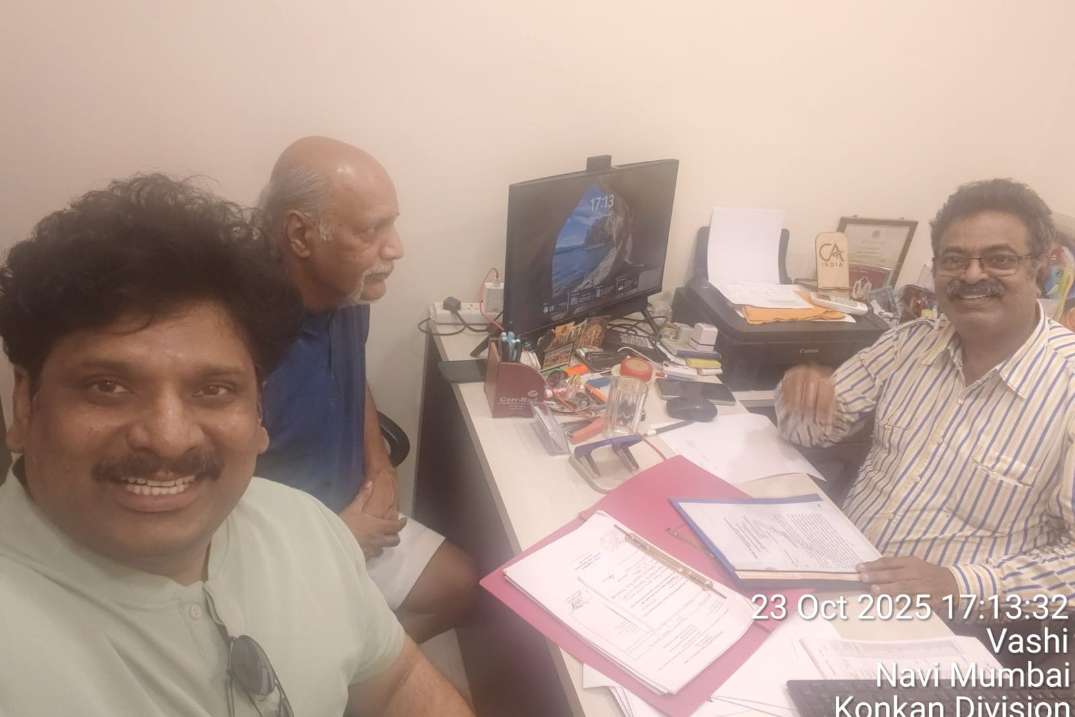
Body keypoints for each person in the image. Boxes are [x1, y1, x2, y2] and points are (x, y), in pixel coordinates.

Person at [0, 174, 474, 716]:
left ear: (258, 411)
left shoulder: (304, 527)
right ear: (25, 405)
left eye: (214, 389)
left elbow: (396, 682)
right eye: (107, 387)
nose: (169, 437)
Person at [777, 178, 1075, 605]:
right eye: (954, 259)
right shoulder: (907, 343)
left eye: (1000, 259)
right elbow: (811, 432)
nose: (972, 274)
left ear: (1040, 269)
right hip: (835, 571)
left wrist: (959, 585)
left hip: (952, 622)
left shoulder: (1067, 385)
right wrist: (799, 397)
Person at [255, 136, 477, 643]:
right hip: (280, 550)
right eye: (371, 230)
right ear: (301, 235)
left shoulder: (349, 295)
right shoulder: (244, 345)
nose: (395, 248)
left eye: (391, 225)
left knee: (461, 586)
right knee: (311, 650)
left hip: (357, 513)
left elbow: (353, 382)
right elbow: (214, 509)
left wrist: (380, 467)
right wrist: (333, 539)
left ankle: (351, 670)